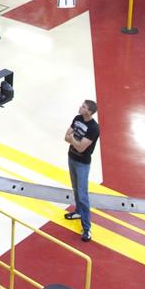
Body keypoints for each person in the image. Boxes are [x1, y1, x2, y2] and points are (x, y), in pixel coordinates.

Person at [64, 98, 99, 243]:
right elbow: (66, 137)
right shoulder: (77, 118)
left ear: (89, 111)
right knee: (75, 188)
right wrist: (73, 140)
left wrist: (72, 139)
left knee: (83, 194)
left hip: (82, 163)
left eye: (83, 106)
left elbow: (80, 147)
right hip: (71, 158)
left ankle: (87, 228)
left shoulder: (93, 128)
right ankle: (78, 212)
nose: (80, 107)